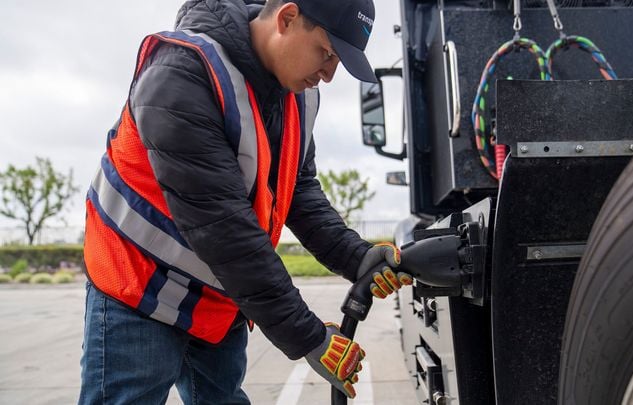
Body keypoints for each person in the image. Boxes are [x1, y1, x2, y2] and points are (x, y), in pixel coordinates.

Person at [79, 0, 413, 403]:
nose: (328, 74)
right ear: (286, 19)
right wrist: (308, 336)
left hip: (218, 300)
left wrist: (354, 256)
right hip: (139, 287)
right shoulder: (181, 74)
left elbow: (298, 191)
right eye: (325, 52)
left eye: (338, 61)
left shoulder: (297, 96)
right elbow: (224, 229)